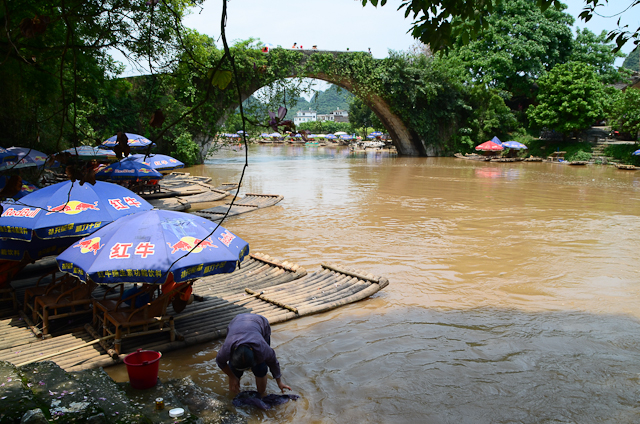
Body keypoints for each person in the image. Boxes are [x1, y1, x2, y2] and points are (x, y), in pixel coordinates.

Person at [216, 314, 291, 397]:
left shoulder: (262, 348)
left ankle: (261, 394)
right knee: (234, 372)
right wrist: (232, 377)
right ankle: (233, 394)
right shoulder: (227, 348)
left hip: (260, 323)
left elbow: (273, 362)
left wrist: (279, 382)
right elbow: (220, 361)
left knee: (260, 367)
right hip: (237, 322)